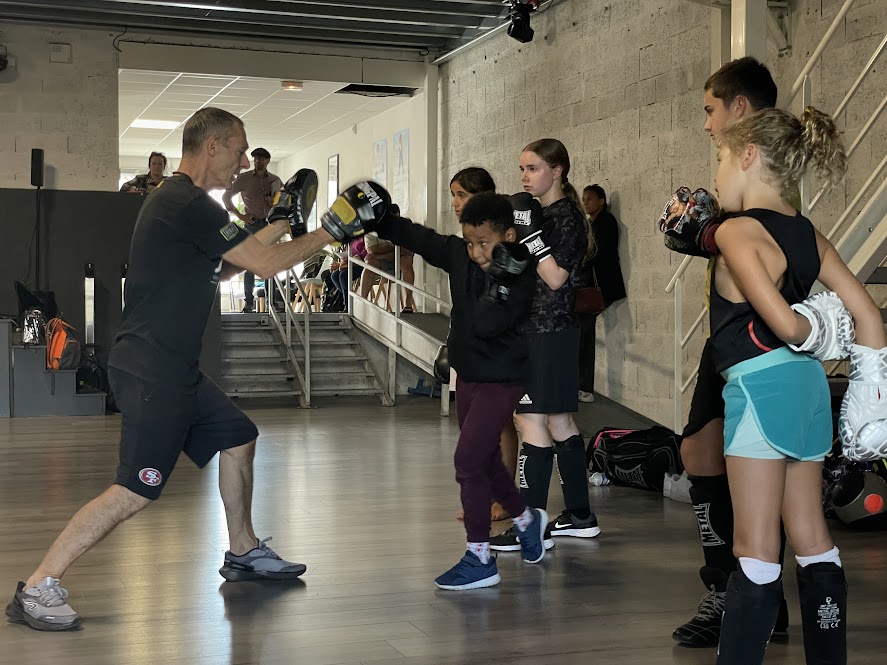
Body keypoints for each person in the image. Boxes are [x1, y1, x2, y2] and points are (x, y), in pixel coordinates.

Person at [5, 107, 355, 632]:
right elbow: (264, 265)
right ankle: (38, 586)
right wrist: (332, 230)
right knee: (135, 489)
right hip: (153, 371)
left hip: (175, 369)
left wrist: (280, 221)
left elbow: (231, 263)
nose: (241, 161)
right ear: (212, 145)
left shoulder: (181, 201)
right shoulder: (187, 201)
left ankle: (242, 549)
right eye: (238, 149)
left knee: (239, 435)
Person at [711, 105, 883, 664]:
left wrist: (810, 327)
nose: (715, 174)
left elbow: (785, 326)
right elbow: (871, 318)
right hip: (808, 392)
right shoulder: (809, 233)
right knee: (812, 537)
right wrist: (868, 391)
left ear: (748, 157)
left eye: (719, 158)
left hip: (761, 390)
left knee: (755, 549)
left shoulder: (737, 231)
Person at [673, 57, 798, 647]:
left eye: (710, 110)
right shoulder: (740, 173)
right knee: (697, 450)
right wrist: (702, 229)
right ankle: (731, 588)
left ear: (739, 110)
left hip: (759, 345)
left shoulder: (771, 162)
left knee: (764, 481)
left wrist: (708, 232)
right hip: (725, 336)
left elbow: (768, 244)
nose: (706, 126)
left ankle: (750, 595)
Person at [375, 192, 548, 589]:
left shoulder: (521, 272)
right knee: (484, 460)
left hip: (502, 378)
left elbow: (489, 324)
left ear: (509, 234)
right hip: (467, 375)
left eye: (484, 243)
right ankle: (527, 521)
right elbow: (418, 238)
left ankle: (479, 557)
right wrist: (378, 217)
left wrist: (499, 280)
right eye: (469, 242)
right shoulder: (459, 254)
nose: (475, 252)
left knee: (467, 460)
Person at [491, 138, 599, 552]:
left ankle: (529, 526)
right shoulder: (543, 214)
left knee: (530, 422)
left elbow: (556, 279)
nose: (524, 176)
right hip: (541, 329)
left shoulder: (566, 218)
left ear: (557, 171)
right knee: (558, 423)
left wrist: (532, 236)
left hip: (549, 330)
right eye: (521, 169)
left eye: (533, 168)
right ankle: (580, 515)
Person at [447, 167, 521, 523]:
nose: (456, 203)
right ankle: (492, 496)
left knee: (502, 426)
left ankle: (506, 502)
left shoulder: (503, 247)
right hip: (471, 353)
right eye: (453, 196)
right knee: (476, 435)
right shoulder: (468, 244)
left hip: (501, 359)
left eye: (462, 195)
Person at [577, 184, 626, 402]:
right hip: (595, 287)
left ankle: (585, 387)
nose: (586, 202)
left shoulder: (606, 222)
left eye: (589, 199)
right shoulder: (592, 223)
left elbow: (599, 252)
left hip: (604, 287)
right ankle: (583, 386)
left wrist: (580, 260)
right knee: (584, 333)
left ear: (601, 201)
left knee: (584, 331)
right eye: (584, 199)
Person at [222, 147, 283, 312]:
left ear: (268, 161)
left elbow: (284, 202)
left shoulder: (275, 180)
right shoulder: (245, 178)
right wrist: (240, 216)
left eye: (262, 159)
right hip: (252, 223)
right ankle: (249, 302)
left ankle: (272, 300)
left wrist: (274, 203)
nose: (258, 161)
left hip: (270, 224)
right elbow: (225, 197)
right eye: (256, 159)